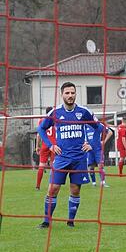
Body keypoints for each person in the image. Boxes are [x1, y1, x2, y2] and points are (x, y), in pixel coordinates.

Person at [36, 82, 104, 228]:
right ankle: (46, 221)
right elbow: (41, 129)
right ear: (62, 95)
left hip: (79, 159)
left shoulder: (84, 112)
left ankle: (70, 221)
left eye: (72, 93)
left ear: (75, 94)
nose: (70, 95)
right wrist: (51, 145)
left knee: (75, 189)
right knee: (53, 188)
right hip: (61, 158)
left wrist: (91, 143)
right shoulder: (55, 113)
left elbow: (100, 128)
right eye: (67, 93)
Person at [86, 119, 114, 187]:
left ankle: (103, 182)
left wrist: (104, 141)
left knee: (100, 166)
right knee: (90, 167)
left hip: (98, 149)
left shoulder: (99, 125)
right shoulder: (85, 126)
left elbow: (110, 132)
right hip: (89, 150)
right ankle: (93, 183)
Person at [35, 106, 56, 190]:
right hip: (54, 145)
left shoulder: (41, 121)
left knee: (41, 166)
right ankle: (52, 185)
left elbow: (39, 134)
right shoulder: (56, 121)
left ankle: (37, 186)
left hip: (44, 145)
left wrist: (37, 146)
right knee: (53, 166)